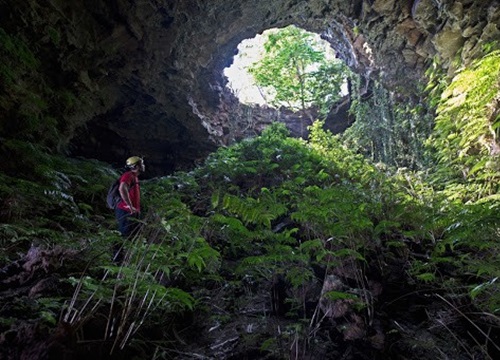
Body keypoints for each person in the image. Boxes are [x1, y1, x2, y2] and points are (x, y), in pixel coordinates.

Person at [115, 156, 145, 238]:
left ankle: (125, 251)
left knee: (132, 235)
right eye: (141, 163)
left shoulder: (135, 177)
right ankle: (117, 251)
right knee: (123, 234)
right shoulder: (128, 175)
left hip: (131, 211)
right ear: (136, 166)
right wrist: (130, 206)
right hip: (125, 210)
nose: (143, 165)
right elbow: (122, 188)